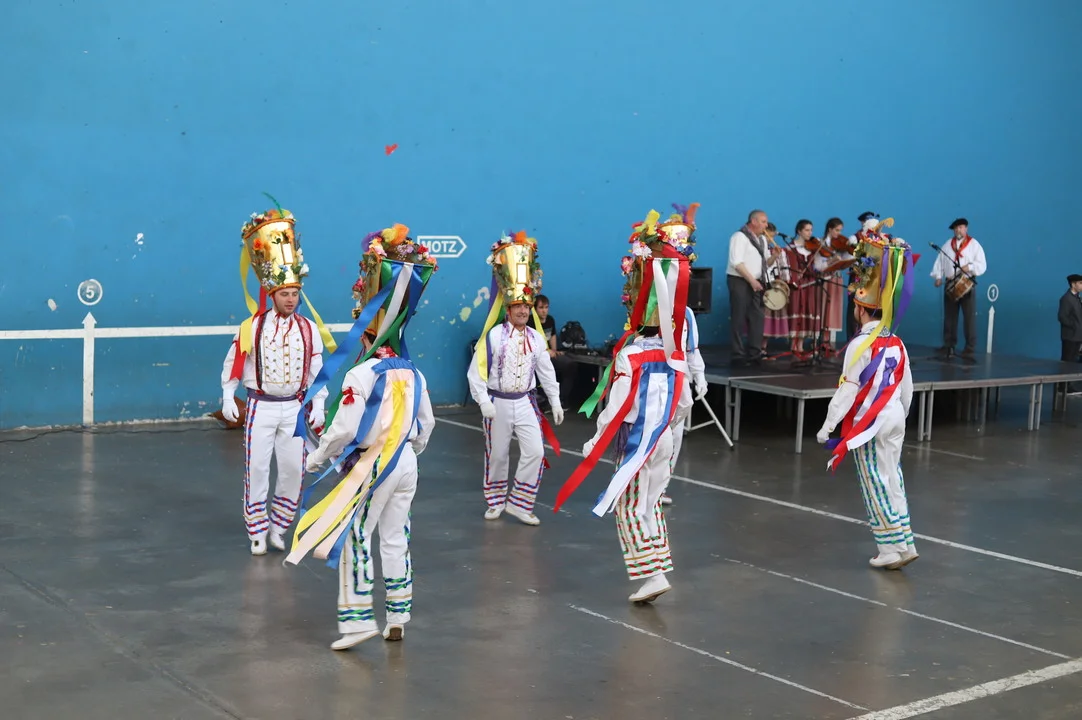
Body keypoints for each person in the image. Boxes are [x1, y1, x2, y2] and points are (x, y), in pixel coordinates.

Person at [291, 223, 437, 650]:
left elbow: (342, 429)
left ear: (369, 332)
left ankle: (356, 622)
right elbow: (427, 424)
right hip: (406, 462)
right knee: (396, 536)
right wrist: (410, 449)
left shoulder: (361, 373)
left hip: (375, 463)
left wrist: (318, 458)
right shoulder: (413, 371)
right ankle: (398, 614)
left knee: (355, 536)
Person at [556, 206, 694, 604]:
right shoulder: (674, 354)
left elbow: (616, 408)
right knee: (651, 505)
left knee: (629, 506)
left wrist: (595, 440)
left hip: (638, 441)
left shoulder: (630, 355)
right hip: (664, 439)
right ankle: (659, 568)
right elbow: (684, 403)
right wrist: (667, 427)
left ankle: (651, 574)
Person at [220, 205, 332, 556]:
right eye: (285, 294)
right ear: (272, 295)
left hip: (294, 410)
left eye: (295, 293)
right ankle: (256, 530)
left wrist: (319, 402)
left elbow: (317, 369)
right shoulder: (252, 326)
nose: (291, 299)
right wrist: (228, 394)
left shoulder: (308, 328)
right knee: (256, 469)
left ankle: (280, 526)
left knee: (293, 470)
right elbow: (233, 361)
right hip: (260, 408)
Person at [817, 226, 918, 570]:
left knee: (875, 481)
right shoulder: (897, 342)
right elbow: (907, 387)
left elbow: (848, 389)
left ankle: (890, 547)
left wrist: (828, 426)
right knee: (894, 477)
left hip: (870, 423)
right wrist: (900, 414)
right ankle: (905, 540)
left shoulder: (859, 344)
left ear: (860, 309)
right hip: (894, 417)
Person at [467, 232, 563, 526]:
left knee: (535, 451)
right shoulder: (493, 336)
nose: (522, 310)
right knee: (497, 456)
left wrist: (555, 401)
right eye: (517, 307)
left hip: (525, 403)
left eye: (526, 306)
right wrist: (483, 401)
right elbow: (475, 372)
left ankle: (520, 503)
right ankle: (495, 501)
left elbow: (546, 371)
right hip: (497, 403)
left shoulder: (536, 338)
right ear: (507, 309)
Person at [727, 209, 782, 364]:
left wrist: (774, 256)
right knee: (739, 317)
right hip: (740, 280)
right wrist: (752, 281)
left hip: (757, 281)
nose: (766, 225)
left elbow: (765, 263)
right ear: (754, 221)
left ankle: (755, 352)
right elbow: (737, 263)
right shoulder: (739, 237)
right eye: (763, 222)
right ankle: (737, 353)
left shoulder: (762, 239)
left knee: (757, 317)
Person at [931, 218, 987, 361]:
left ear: (966, 228)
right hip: (950, 284)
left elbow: (982, 264)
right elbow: (940, 262)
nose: (958, 230)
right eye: (956, 228)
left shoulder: (974, 245)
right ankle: (948, 345)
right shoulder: (947, 245)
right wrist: (938, 277)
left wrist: (970, 267)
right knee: (949, 317)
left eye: (961, 227)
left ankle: (969, 348)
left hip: (966, 284)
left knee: (969, 318)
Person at [761, 222, 790, 355]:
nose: (770, 240)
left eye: (772, 237)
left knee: (770, 316)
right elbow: (764, 266)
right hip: (761, 283)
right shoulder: (759, 249)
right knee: (760, 317)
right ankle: (757, 346)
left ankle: (764, 346)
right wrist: (773, 256)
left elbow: (780, 269)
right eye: (768, 237)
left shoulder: (774, 250)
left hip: (772, 284)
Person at [1058, 274, 1082, 367]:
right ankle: (1063, 377)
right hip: (1070, 337)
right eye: (1080, 283)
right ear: (1073, 284)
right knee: (1067, 363)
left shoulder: (1077, 298)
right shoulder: (1066, 299)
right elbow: (1062, 317)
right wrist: (1074, 326)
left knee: (1074, 363)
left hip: (1078, 336)